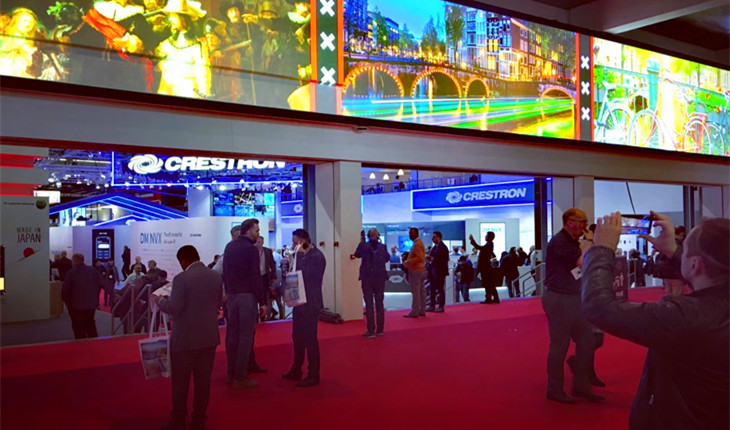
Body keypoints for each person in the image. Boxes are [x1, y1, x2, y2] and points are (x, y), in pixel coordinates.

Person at [583, 212, 729, 430]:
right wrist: (673, 251)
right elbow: (709, 269)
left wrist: (601, 250)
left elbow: (598, 307)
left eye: (685, 249)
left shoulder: (683, 316)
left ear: (695, 265)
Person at [154, 245, 223, 430]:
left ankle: (178, 420)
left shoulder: (181, 278)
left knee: (180, 382)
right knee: (203, 382)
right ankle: (199, 419)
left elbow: (175, 308)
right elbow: (218, 302)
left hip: (185, 338)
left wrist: (160, 301)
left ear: (183, 261)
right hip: (209, 336)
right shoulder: (215, 276)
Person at [542, 208, 603, 404]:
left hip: (574, 298)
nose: (585, 226)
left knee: (587, 341)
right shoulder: (559, 242)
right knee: (559, 346)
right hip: (559, 298)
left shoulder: (571, 241)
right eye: (582, 221)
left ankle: (581, 386)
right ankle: (554, 389)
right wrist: (590, 242)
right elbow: (580, 262)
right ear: (570, 222)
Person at [223, 219, 268, 389]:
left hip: (232, 296)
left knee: (232, 335)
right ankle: (240, 376)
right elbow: (255, 277)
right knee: (245, 337)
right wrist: (263, 302)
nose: (258, 233)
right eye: (257, 230)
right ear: (249, 231)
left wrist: (228, 292)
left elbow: (225, 273)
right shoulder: (251, 250)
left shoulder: (229, 247)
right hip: (247, 297)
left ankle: (231, 373)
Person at [282, 229, 326, 387]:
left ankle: (313, 374)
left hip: (310, 302)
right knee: (297, 337)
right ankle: (296, 369)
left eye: (295, 242)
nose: (293, 245)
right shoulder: (301, 256)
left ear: (303, 241)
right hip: (299, 301)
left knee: (310, 338)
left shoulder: (317, 256)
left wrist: (298, 257)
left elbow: (307, 276)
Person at [354, 228, 389, 338]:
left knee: (369, 304)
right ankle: (380, 330)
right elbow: (387, 258)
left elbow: (357, 254)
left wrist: (362, 242)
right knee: (379, 304)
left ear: (368, 236)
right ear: (378, 236)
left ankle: (371, 330)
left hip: (367, 278)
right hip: (380, 278)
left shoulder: (363, 246)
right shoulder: (382, 247)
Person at [62, 254, 105, 339]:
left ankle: (81, 343)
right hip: (91, 304)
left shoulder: (71, 273)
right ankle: (94, 342)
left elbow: (65, 290)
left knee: (78, 326)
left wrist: (66, 302)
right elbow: (103, 283)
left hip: (75, 305)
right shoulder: (93, 271)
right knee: (90, 323)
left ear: (75, 261)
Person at [402, 228, 427, 318]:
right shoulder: (419, 243)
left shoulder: (417, 244)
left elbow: (419, 258)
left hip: (416, 270)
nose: (410, 235)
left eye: (411, 233)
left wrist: (408, 262)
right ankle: (422, 309)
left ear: (416, 234)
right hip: (420, 270)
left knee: (416, 292)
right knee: (421, 290)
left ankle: (415, 311)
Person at [469, 232, 499, 304]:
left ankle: (489, 298)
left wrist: (472, 241)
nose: (485, 237)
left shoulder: (489, 245)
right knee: (490, 283)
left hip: (485, 267)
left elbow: (479, 247)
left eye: (486, 235)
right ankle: (494, 298)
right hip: (486, 267)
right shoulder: (489, 244)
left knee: (487, 283)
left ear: (489, 237)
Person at [256, 236, 279, 321]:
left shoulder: (267, 251)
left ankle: (263, 315)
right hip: (255, 277)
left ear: (262, 242)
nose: (258, 243)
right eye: (257, 242)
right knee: (255, 296)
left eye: (260, 242)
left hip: (265, 276)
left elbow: (272, 264)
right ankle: (256, 316)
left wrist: (273, 276)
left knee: (265, 296)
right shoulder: (252, 251)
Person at [427, 231, 449, 313]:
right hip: (433, 271)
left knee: (440, 289)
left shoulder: (443, 247)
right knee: (432, 289)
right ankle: (432, 305)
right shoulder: (434, 247)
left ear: (439, 237)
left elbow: (444, 260)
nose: (433, 238)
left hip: (440, 271)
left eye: (434, 237)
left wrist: (434, 259)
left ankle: (441, 306)